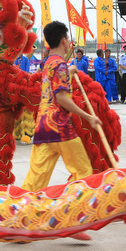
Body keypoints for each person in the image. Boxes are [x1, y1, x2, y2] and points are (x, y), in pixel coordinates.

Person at [22, 21, 101, 193]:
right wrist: (89, 117)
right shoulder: (60, 65)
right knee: (83, 172)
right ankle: (76, 210)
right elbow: (61, 98)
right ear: (64, 40)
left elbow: (55, 83)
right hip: (60, 127)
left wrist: (70, 70)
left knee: (35, 180)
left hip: (43, 127)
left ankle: (22, 209)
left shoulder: (49, 63)